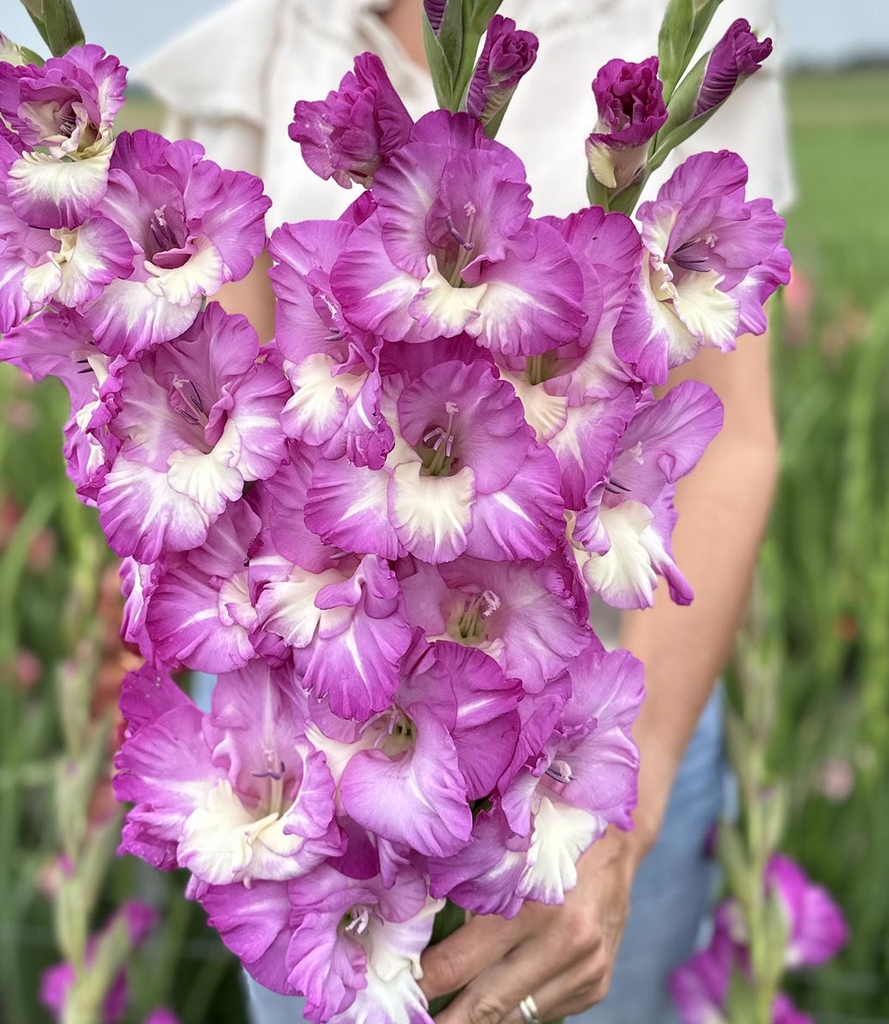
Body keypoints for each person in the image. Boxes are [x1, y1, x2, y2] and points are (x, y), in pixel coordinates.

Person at [137, 1, 793, 1020]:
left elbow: (733, 441)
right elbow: (243, 437)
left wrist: (625, 813)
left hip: (599, 726)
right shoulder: (260, 29)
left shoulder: (668, 18)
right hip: (325, 729)